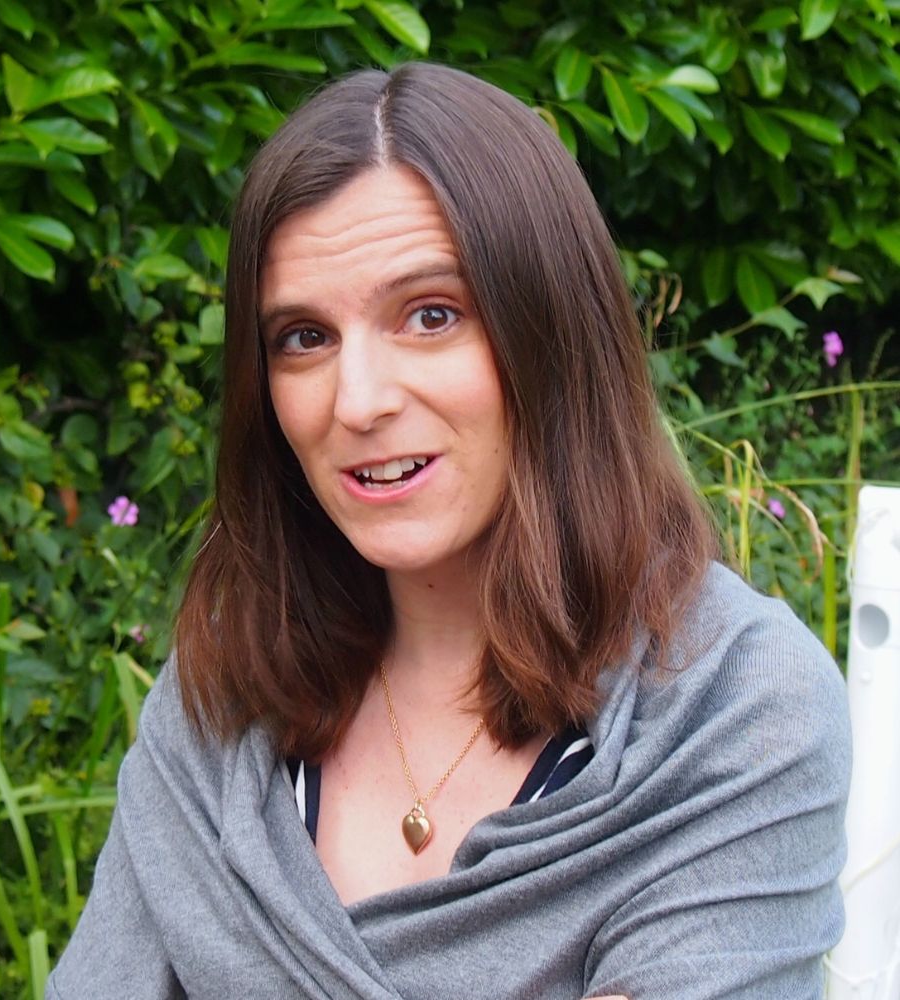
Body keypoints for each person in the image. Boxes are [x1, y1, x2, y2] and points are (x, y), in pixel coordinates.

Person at [47, 63, 849, 999]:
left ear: (553, 333)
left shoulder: (731, 708)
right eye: (304, 337)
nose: (359, 401)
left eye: (431, 316)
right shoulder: (227, 696)